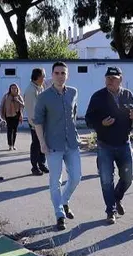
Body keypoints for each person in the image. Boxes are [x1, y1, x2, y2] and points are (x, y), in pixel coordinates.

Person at [85, 66, 133, 224]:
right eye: (108, 78)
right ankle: (111, 210)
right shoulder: (98, 96)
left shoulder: (128, 95)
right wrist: (101, 123)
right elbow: (89, 119)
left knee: (128, 177)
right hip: (105, 145)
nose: (110, 80)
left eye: (113, 78)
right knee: (106, 179)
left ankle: (116, 197)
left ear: (120, 80)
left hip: (124, 143)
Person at [34, 61, 82, 231]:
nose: (60, 76)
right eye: (57, 73)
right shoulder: (44, 97)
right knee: (55, 181)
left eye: (63, 73)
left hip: (72, 143)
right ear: (51, 75)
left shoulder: (73, 93)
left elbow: (73, 116)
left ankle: (64, 200)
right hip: (53, 145)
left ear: (67, 75)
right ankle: (59, 214)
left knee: (76, 177)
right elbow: (37, 122)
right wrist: (42, 143)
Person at [23, 68, 50, 176]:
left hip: (42, 122)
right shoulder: (31, 90)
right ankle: (34, 167)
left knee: (42, 143)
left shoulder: (40, 87)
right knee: (36, 144)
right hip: (36, 123)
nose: (44, 78)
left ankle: (41, 164)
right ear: (38, 77)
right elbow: (32, 110)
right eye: (43, 76)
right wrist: (36, 125)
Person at [1, 83, 25, 151]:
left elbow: (23, 105)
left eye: (15, 88)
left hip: (16, 115)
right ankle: (10, 145)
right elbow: (2, 106)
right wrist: (2, 116)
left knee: (15, 131)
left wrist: (18, 101)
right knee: (9, 130)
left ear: (17, 89)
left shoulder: (19, 96)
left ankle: (13, 145)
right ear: (10, 89)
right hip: (8, 115)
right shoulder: (6, 96)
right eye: (12, 88)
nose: (14, 89)